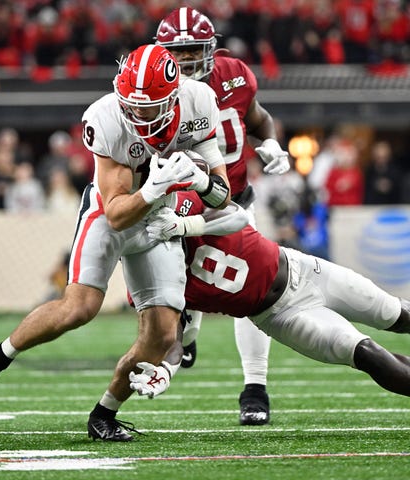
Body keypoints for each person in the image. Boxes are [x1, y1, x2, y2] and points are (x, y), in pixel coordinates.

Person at [0, 44, 231, 442]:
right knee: (78, 308)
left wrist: (201, 181)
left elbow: (223, 196)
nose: (135, 113)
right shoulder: (107, 118)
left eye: (147, 107)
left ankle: (105, 413)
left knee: (164, 336)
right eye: (129, 103)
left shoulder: (199, 102)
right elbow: (116, 213)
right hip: (109, 213)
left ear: (173, 99)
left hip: (161, 221)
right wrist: (155, 187)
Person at [128, 191, 410, 404]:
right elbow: (171, 338)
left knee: (395, 314)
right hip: (281, 315)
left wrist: (186, 226)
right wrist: (165, 369)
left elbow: (237, 215)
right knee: (366, 352)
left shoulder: (182, 205)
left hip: (305, 269)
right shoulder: (150, 280)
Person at [154, 6, 290, 425]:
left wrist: (270, 143)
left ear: (211, 49)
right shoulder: (153, 85)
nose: (187, 60)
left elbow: (260, 118)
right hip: (175, 209)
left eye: (194, 50)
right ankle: (184, 339)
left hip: (232, 203)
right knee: (173, 294)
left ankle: (255, 387)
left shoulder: (235, 75)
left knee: (253, 293)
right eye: (177, 53)